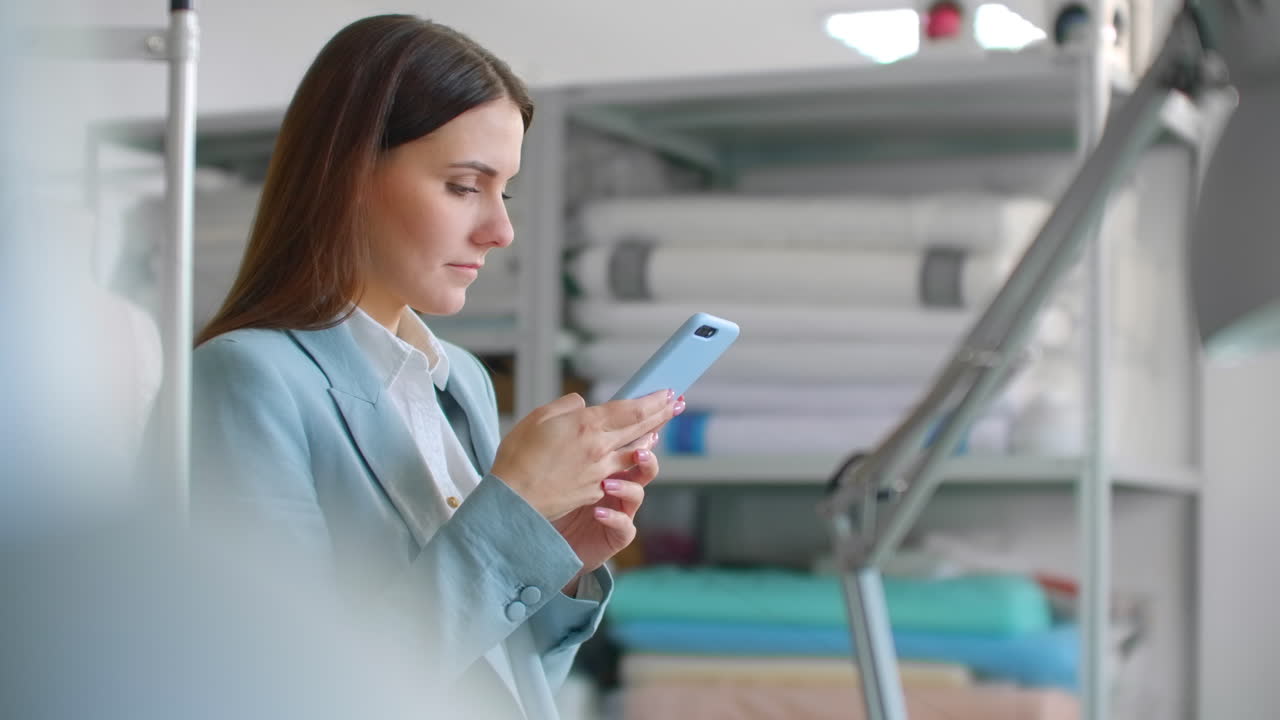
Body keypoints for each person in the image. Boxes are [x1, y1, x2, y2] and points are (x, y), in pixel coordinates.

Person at [189, 14, 683, 720]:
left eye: (503, 190)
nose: (501, 229)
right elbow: (286, 689)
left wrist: (558, 556)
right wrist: (510, 511)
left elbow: (498, 672)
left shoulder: (461, 380)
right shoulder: (245, 380)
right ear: (349, 172)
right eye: (462, 186)